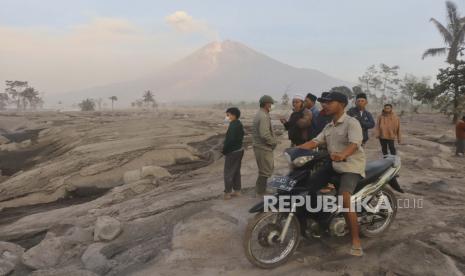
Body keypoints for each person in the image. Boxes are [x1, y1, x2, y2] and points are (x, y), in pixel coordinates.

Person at [298, 91, 366, 257]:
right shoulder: (328, 126)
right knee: (307, 187)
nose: (324, 105)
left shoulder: (352, 122)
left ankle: (356, 242)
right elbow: (315, 141)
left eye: (329, 102)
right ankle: (321, 218)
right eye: (323, 102)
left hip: (351, 166)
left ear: (342, 104)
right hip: (334, 164)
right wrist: (296, 149)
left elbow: (355, 144)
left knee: (344, 198)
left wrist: (344, 154)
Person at [252, 95, 277, 196]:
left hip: (261, 147)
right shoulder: (263, 116)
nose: (272, 106)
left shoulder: (261, 114)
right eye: (271, 104)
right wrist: (273, 142)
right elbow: (264, 134)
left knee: (264, 169)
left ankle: (260, 190)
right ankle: (260, 191)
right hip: (263, 147)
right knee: (265, 171)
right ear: (267, 104)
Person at [222, 107, 245, 200]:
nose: (227, 117)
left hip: (232, 151)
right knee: (236, 171)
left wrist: (224, 150)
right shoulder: (238, 123)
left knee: (228, 172)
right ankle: (237, 191)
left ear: (234, 115)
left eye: (228, 115)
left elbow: (230, 140)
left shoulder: (233, 125)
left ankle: (227, 193)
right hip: (239, 150)